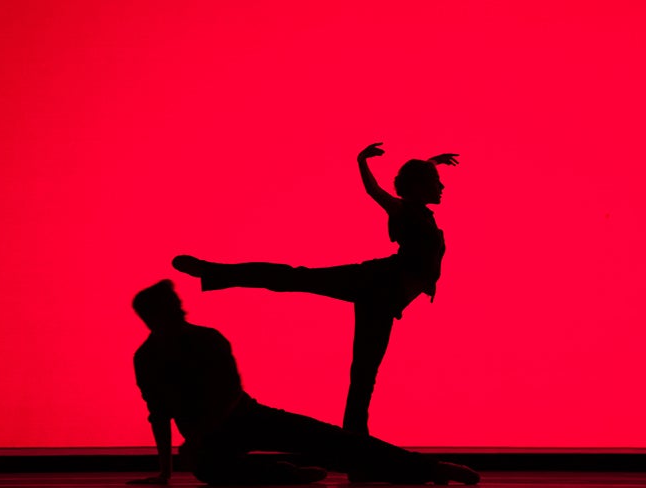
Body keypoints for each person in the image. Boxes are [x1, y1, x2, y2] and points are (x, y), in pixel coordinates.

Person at [172, 143, 458, 435]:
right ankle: (213, 271)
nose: (442, 186)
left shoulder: (419, 212)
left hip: (384, 298)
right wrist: (361, 161)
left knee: (364, 371)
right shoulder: (404, 210)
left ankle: (355, 442)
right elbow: (375, 192)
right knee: (296, 279)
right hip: (376, 283)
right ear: (419, 187)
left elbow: (416, 180)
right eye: (436, 181)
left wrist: (433, 161)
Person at [128, 279, 479, 486]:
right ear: (155, 317)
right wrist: (166, 470)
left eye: (178, 304)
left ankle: (431, 468)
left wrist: (199, 438)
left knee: (336, 441)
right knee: (207, 469)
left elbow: (229, 395)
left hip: (247, 417)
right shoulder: (146, 359)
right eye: (173, 306)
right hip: (212, 440)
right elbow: (158, 414)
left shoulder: (208, 339)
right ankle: (285, 474)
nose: (181, 310)